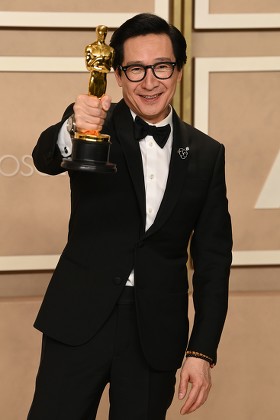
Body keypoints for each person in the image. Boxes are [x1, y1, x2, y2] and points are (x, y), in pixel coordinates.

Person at [28, 13, 232, 420]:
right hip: (79, 320)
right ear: (118, 75)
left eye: (162, 66)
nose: (150, 81)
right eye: (136, 69)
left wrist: (202, 350)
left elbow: (213, 260)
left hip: (155, 333)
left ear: (178, 70)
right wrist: (73, 124)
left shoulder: (207, 154)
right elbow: (44, 158)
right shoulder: (94, 125)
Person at [85, 25, 114, 99]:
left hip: (103, 79)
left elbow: (108, 68)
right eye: (100, 33)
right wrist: (99, 61)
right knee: (91, 99)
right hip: (94, 77)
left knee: (101, 100)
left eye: (104, 33)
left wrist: (99, 66)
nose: (102, 35)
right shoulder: (90, 47)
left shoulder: (110, 50)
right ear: (97, 33)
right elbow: (88, 66)